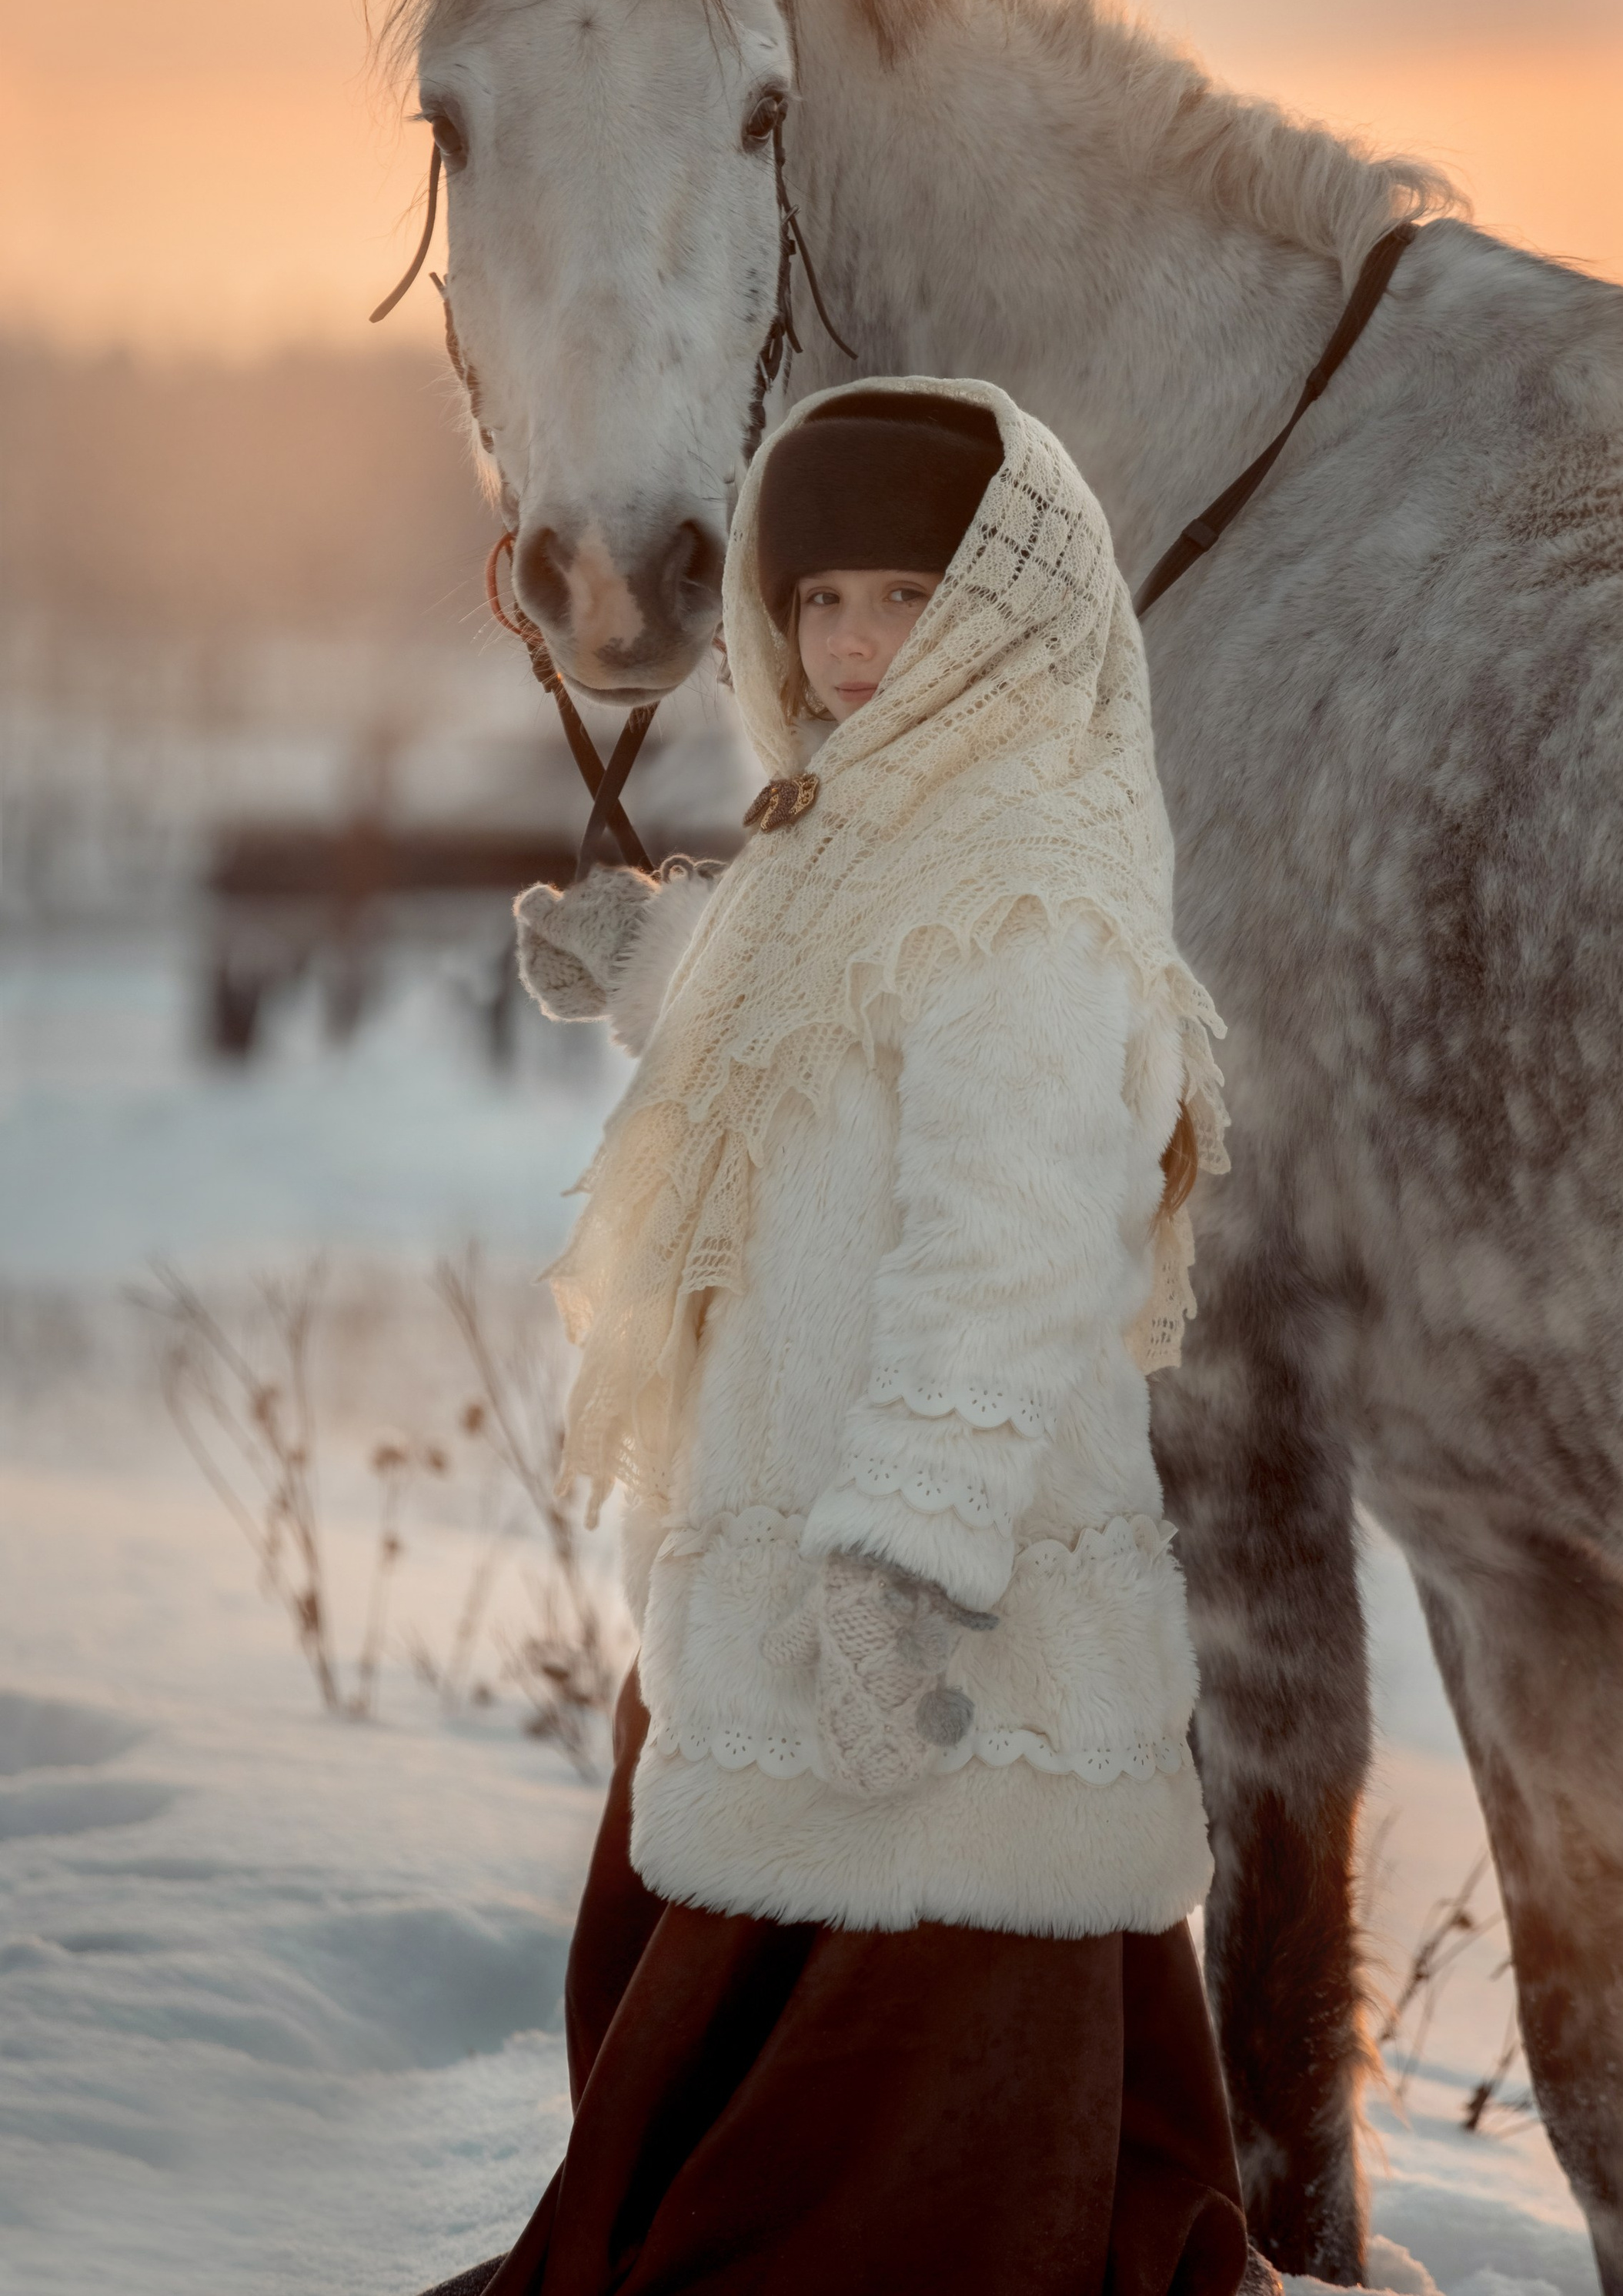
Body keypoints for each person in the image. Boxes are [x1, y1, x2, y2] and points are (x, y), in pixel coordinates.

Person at [460, 379, 1254, 2296]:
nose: (850, 647)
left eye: (909, 595)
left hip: (921, 1554)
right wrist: (645, 959)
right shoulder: (854, 828)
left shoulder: (1032, 888)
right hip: (774, 1508)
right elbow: (798, 1014)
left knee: (907, 2014)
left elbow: (1012, 1244)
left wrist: (910, 1545)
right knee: (710, 1933)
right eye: (816, 600)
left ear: (1011, 606)